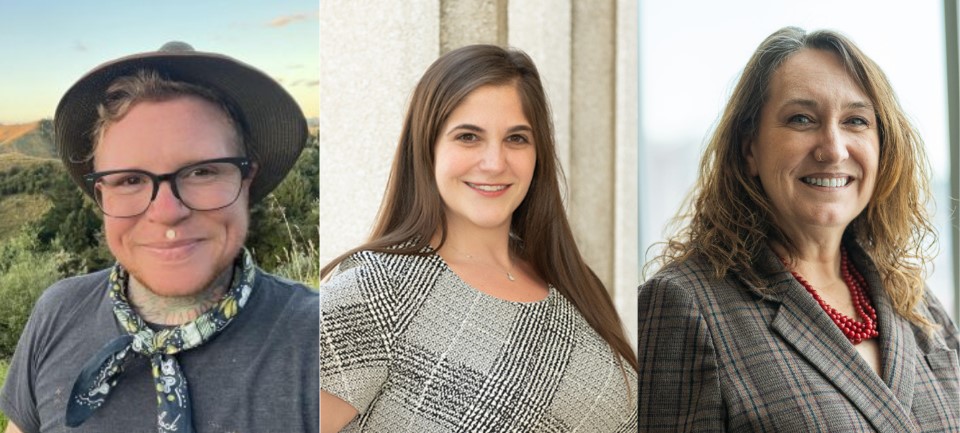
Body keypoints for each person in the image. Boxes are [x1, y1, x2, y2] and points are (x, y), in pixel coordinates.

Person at [639, 26, 960, 432]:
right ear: (749, 148)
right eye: (801, 119)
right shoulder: (685, 304)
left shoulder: (916, 304)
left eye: (856, 121)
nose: (833, 148)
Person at [0, 42, 319, 433]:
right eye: (130, 180)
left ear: (246, 179)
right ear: (102, 196)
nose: (167, 211)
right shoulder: (57, 314)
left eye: (201, 172)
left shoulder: (323, 345)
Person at [319, 44, 638, 432]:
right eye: (469, 137)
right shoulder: (379, 291)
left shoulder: (575, 284)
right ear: (427, 148)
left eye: (516, 139)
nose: (494, 162)